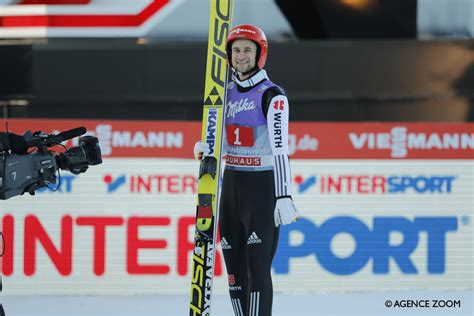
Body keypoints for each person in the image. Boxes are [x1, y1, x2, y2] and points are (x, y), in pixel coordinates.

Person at [194, 24, 299, 316]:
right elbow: (220, 137)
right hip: (231, 187)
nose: (241, 56)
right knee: (234, 274)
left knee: (257, 270)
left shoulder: (272, 95)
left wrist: (283, 195)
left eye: (247, 50)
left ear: (259, 54)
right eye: (236, 50)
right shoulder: (224, 94)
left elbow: (280, 148)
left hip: (261, 190)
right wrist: (206, 147)